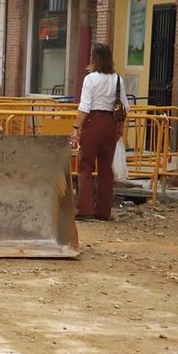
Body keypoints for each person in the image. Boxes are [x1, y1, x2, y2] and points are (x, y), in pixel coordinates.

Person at [71, 43, 130, 222]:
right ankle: (104, 211)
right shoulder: (118, 79)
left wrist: (76, 128)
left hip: (93, 123)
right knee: (106, 168)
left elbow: (85, 106)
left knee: (85, 165)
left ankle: (85, 208)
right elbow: (125, 107)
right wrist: (120, 128)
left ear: (93, 58)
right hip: (111, 124)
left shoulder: (90, 79)